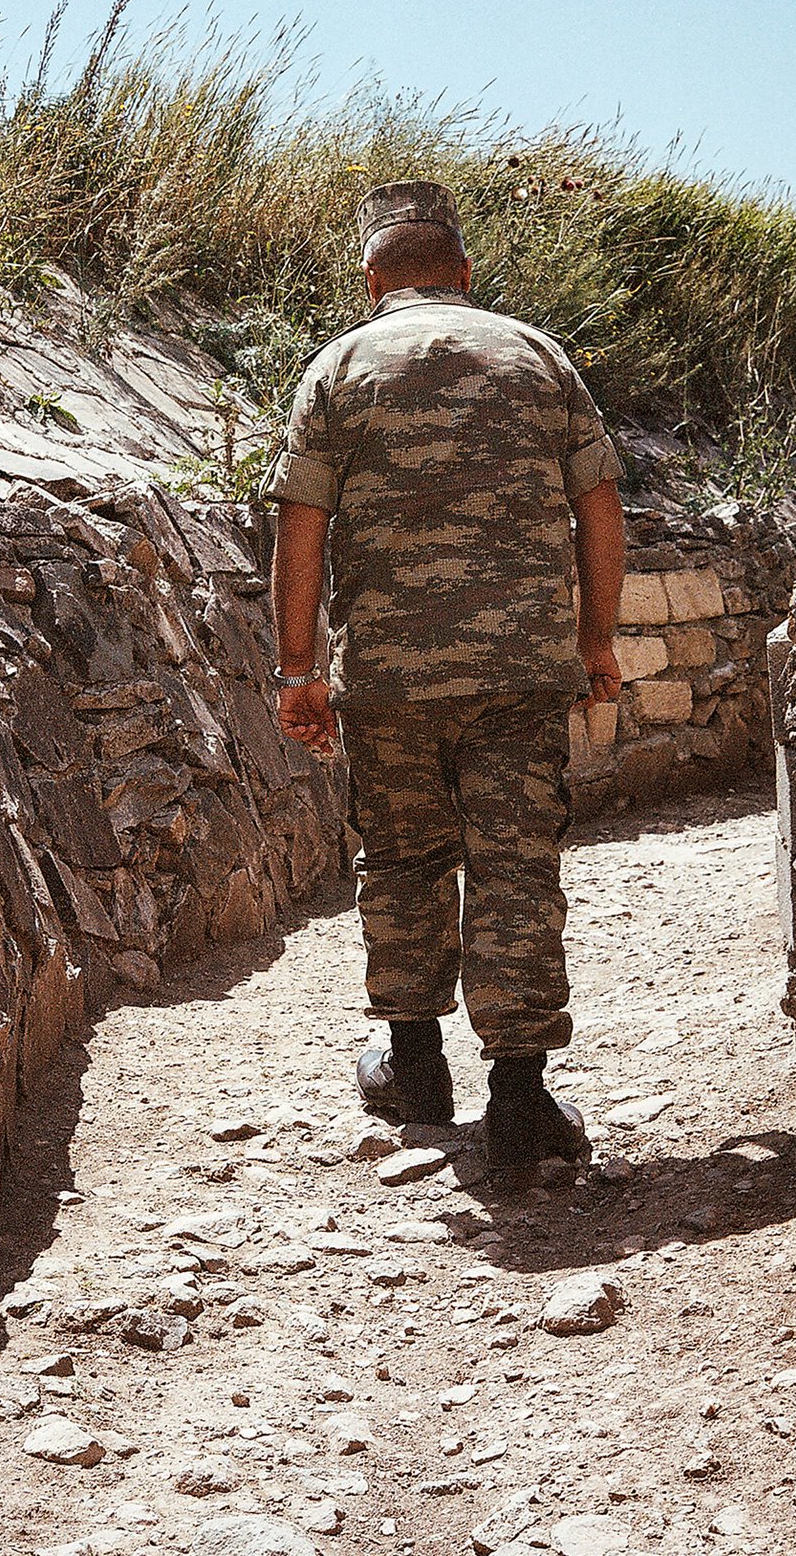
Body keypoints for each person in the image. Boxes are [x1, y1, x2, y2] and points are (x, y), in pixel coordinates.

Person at [263, 179, 625, 1169]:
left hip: (387, 678)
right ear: (465, 276)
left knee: (402, 862)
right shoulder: (536, 357)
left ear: (371, 281)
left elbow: (301, 529)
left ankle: (415, 1069)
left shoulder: (337, 367)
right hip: (518, 671)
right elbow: (598, 508)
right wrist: (596, 643)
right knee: (516, 868)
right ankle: (519, 1105)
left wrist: (298, 671)